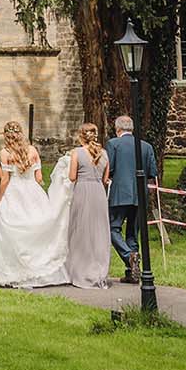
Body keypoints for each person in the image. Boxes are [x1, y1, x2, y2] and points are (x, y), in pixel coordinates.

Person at [0, 119, 72, 288]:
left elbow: (4, 180)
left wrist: (0, 199)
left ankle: (16, 270)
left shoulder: (5, 153)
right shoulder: (32, 150)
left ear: (6, 135)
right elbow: (39, 178)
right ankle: (42, 269)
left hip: (14, 192)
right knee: (38, 228)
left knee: (11, 231)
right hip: (33, 190)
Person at [104, 114, 158, 283]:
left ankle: (129, 257)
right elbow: (152, 172)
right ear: (132, 129)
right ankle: (132, 272)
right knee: (133, 233)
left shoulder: (113, 144)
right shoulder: (146, 146)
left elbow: (110, 168)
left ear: (117, 129)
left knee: (113, 228)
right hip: (139, 195)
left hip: (120, 193)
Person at [65, 123, 113, 288]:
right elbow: (106, 180)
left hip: (83, 191)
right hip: (98, 193)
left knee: (80, 230)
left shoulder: (77, 153)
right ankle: (99, 270)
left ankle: (81, 270)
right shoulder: (104, 154)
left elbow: (72, 177)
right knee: (99, 231)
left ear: (80, 136)